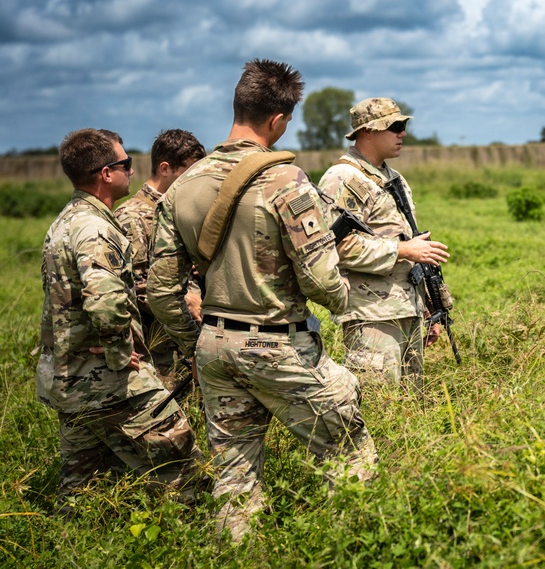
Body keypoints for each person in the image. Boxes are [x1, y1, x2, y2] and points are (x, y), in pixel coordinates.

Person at [147, 59, 377, 543]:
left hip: (214, 347)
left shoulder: (182, 185)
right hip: (280, 347)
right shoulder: (286, 181)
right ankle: (356, 545)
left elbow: (161, 290)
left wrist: (198, 338)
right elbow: (319, 280)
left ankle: (238, 552)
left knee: (235, 477)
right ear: (278, 121)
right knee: (350, 451)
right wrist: (341, 296)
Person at [35, 128, 205, 512]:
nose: (132, 170)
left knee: (84, 476)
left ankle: (74, 535)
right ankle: (192, 531)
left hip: (69, 375)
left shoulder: (66, 220)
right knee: (177, 446)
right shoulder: (96, 228)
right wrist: (118, 349)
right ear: (105, 174)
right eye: (125, 164)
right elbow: (106, 299)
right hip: (101, 378)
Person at [318, 97, 450, 389]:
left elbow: (407, 242)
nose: (402, 133)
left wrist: (427, 307)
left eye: (402, 126)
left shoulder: (394, 179)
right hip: (372, 316)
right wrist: (403, 250)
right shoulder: (344, 178)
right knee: (380, 403)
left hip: (406, 309)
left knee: (413, 405)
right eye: (394, 126)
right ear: (367, 132)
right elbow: (336, 247)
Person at [114, 129, 206, 388]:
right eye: (189, 173)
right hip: (156, 353)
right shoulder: (134, 217)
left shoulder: (177, 211)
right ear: (165, 168)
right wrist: (188, 303)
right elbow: (139, 286)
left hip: (182, 341)